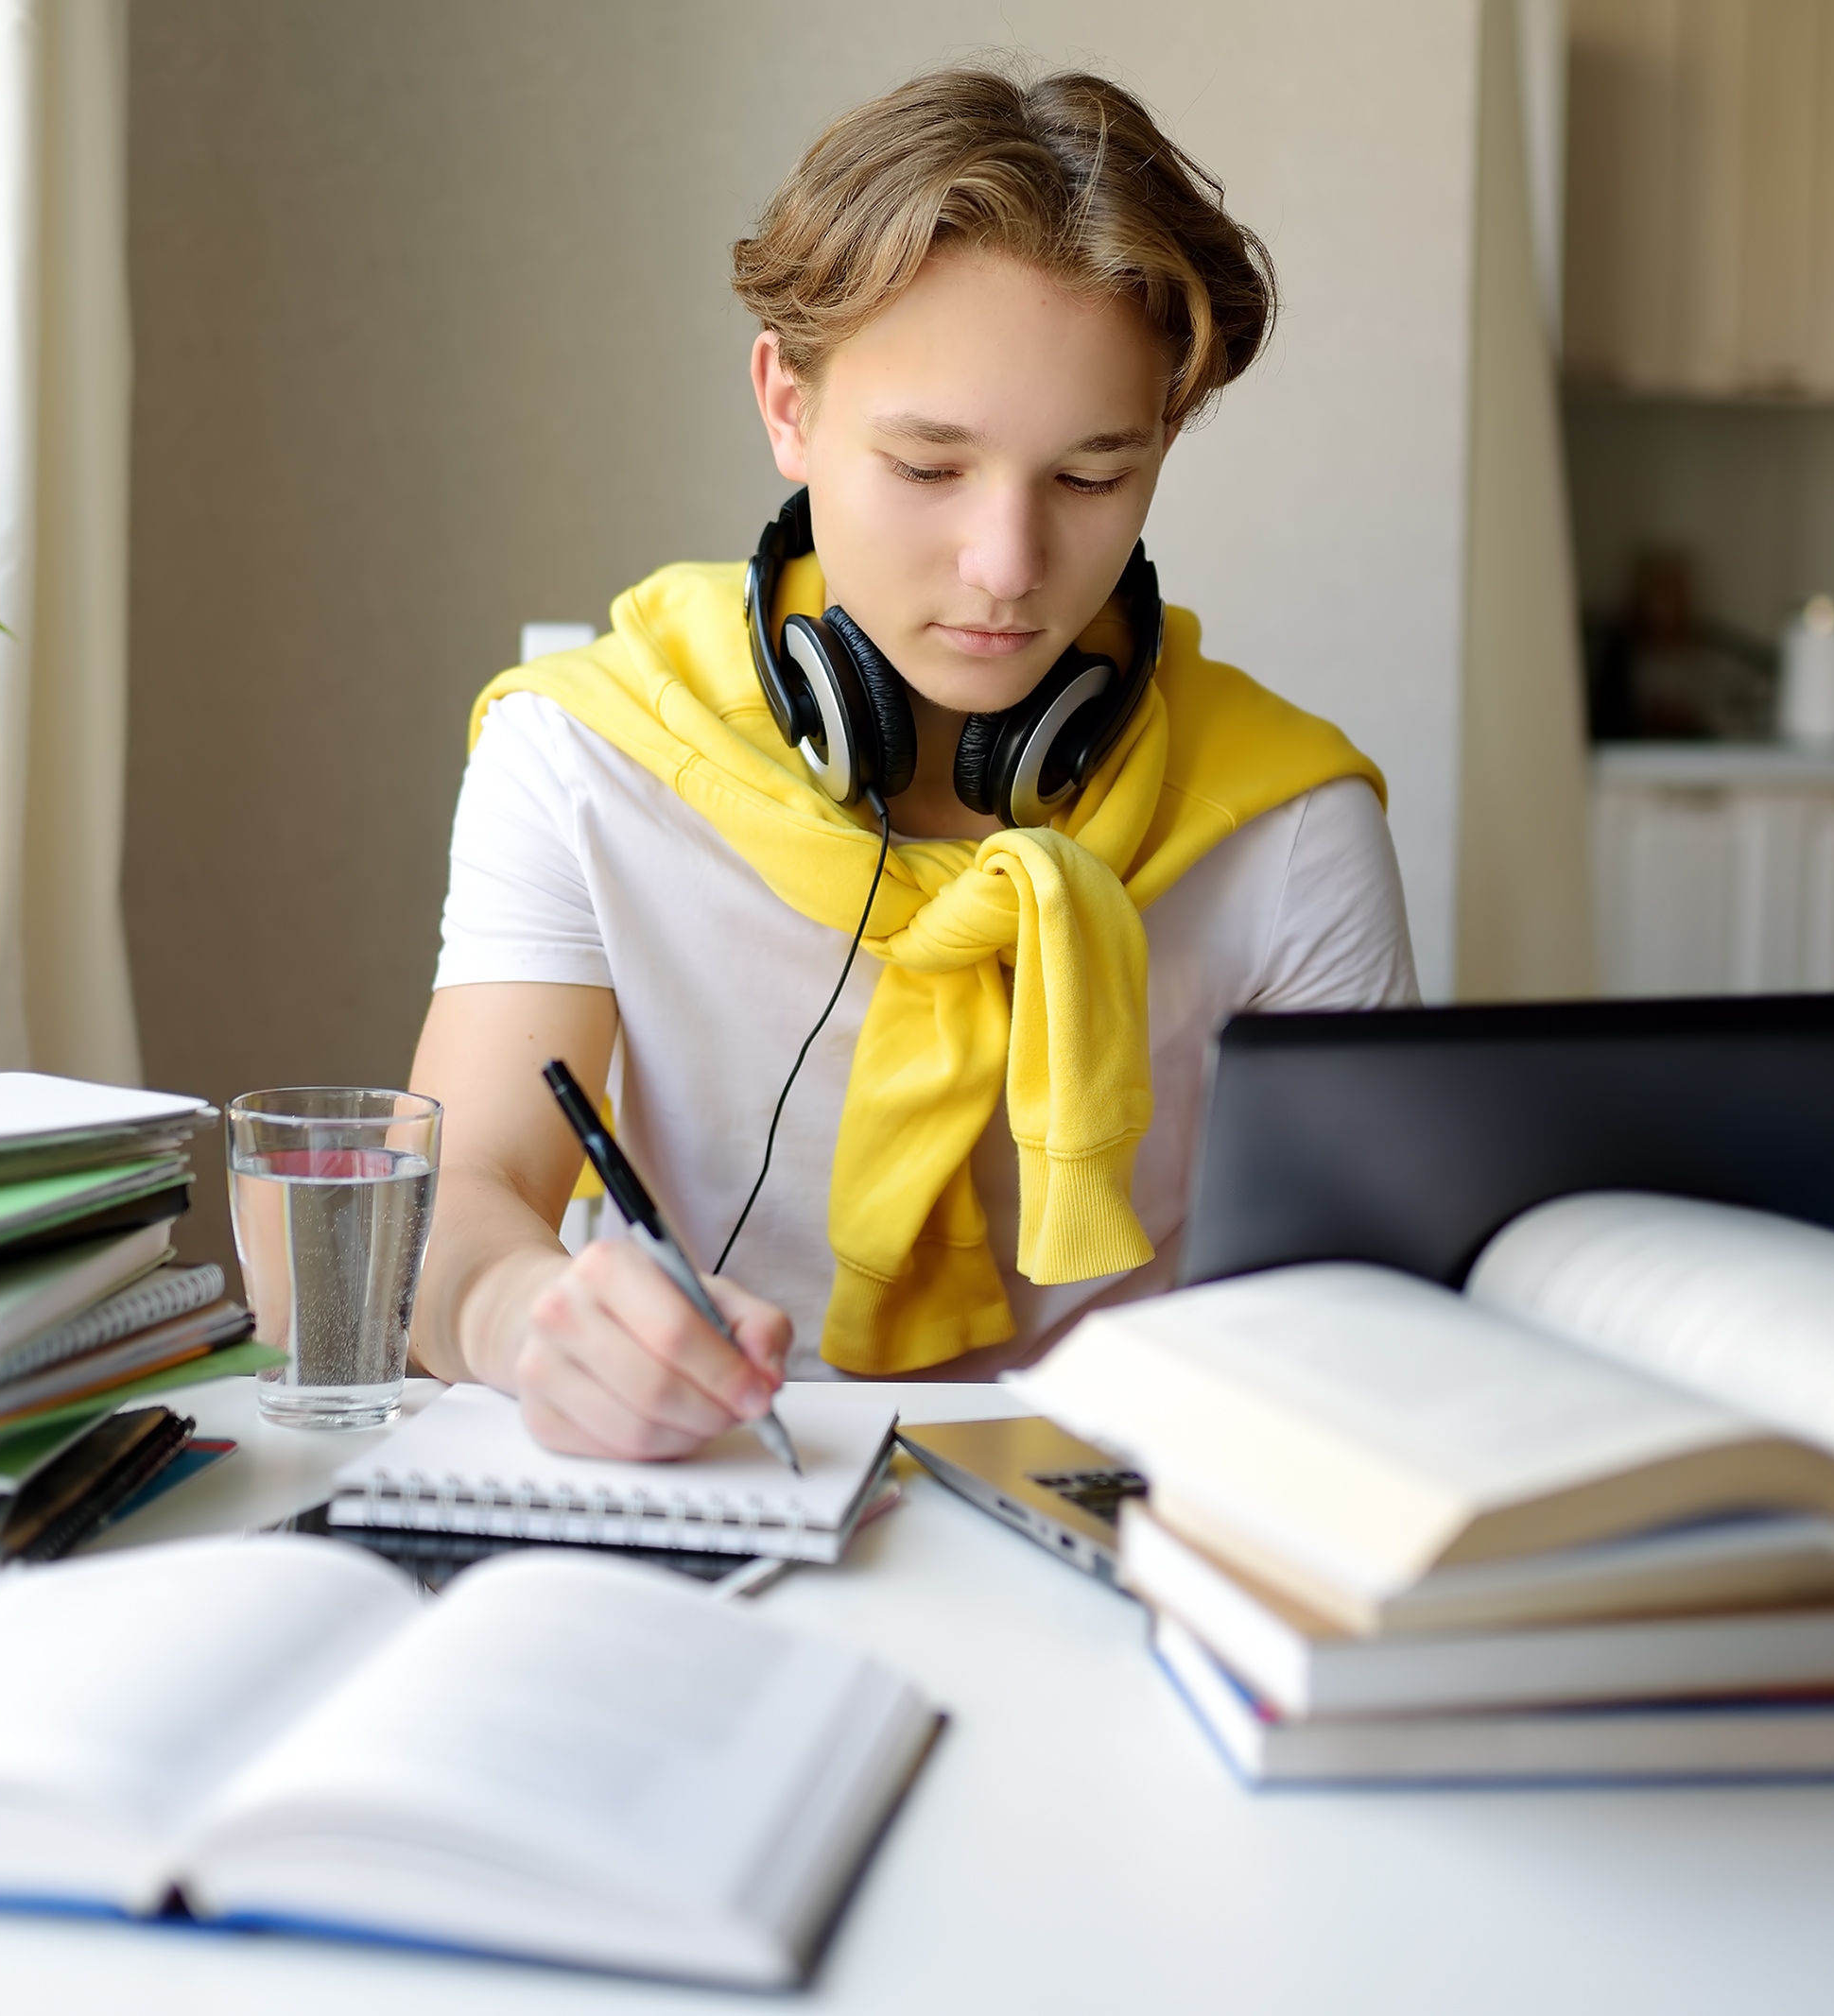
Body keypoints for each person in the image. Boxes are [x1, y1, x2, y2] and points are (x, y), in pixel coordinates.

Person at [407, 66, 1417, 1460]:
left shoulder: (1293, 823)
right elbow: (460, 1193)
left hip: (1133, 1515)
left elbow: (1353, 1309)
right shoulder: (584, 752)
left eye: (1089, 478)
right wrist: (526, 1317)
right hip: (724, 1481)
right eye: (931, 467)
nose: (1008, 568)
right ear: (787, 402)